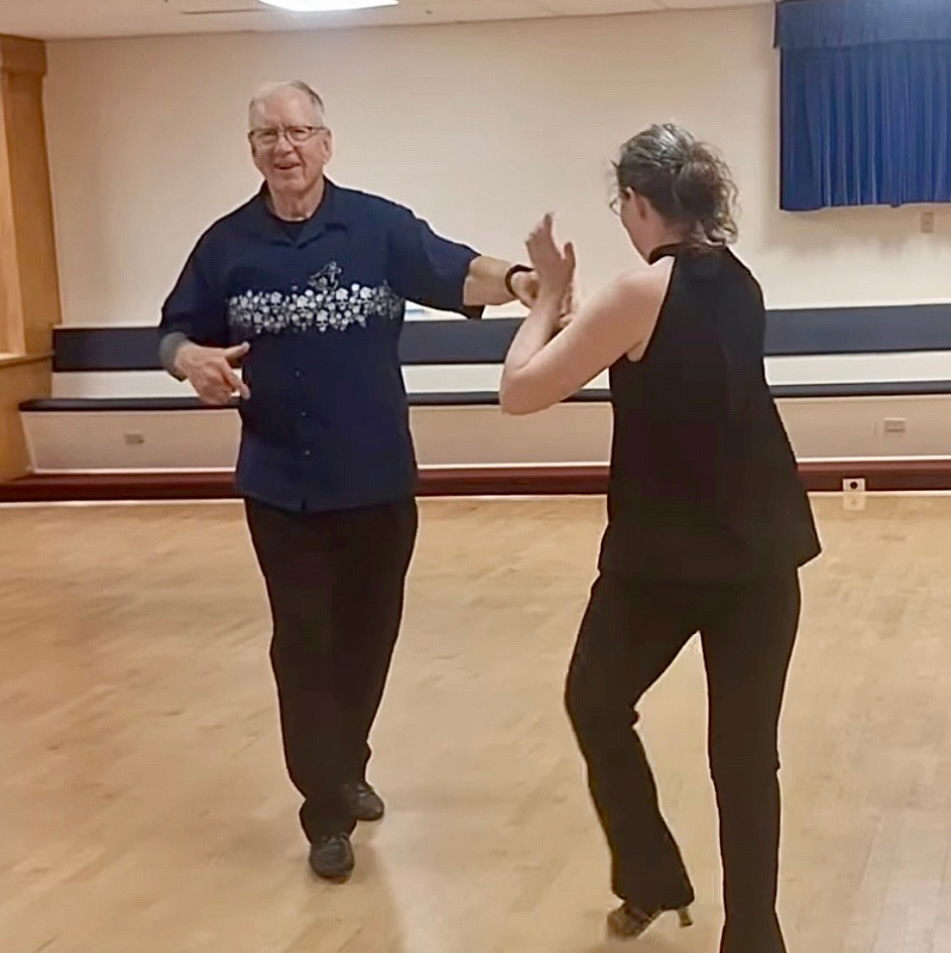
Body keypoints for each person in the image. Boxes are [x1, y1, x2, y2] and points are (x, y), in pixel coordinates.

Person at [157, 80, 544, 883]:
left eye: (298, 131)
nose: (284, 147)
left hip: (375, 481)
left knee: (366, 641)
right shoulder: (226, 244)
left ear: (326, 141)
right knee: (302, 643)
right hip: (280, 487)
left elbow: (452, 269)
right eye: (268, 134)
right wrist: (185, 359)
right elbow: (175, 331)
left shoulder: (375, 226)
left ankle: (345, 762)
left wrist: (518, 282)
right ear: (252, 148)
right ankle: (325, 812)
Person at [499, 124, 821, 953]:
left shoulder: (641, 288)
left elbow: (520, 390)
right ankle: (752, 933)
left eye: (624, 207)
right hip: (760, 548)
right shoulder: (739, 280)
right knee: (745, 756)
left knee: (596, 703)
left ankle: (648, 875)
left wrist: (545, 295)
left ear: (639, 203)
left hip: (665, 559)